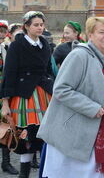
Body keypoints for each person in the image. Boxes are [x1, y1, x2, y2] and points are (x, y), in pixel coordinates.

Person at [37, 16, 104, 178]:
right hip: (75, 133)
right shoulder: (79, 55)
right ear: (90, 35)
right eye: (101, 32)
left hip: (102, 130)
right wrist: (91, 107)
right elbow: (61, 89)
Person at [1, 11, 54, 178]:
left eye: (41, 24)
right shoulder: (17, 45)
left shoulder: (45, 44)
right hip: (25, 95)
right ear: (26, 26)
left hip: (45, 92)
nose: (40, 28)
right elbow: (9, 73)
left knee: (45, 134)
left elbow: (48, 70)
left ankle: (45, 171)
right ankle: (24, 174)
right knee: (26, 136)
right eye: (36, 25)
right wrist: (5, 102)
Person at [0, 21, 20, 175]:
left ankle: (5, 163)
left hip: (3, 91)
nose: (1, 35)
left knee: (5, 126)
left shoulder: (5, 48)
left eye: (2, 32)